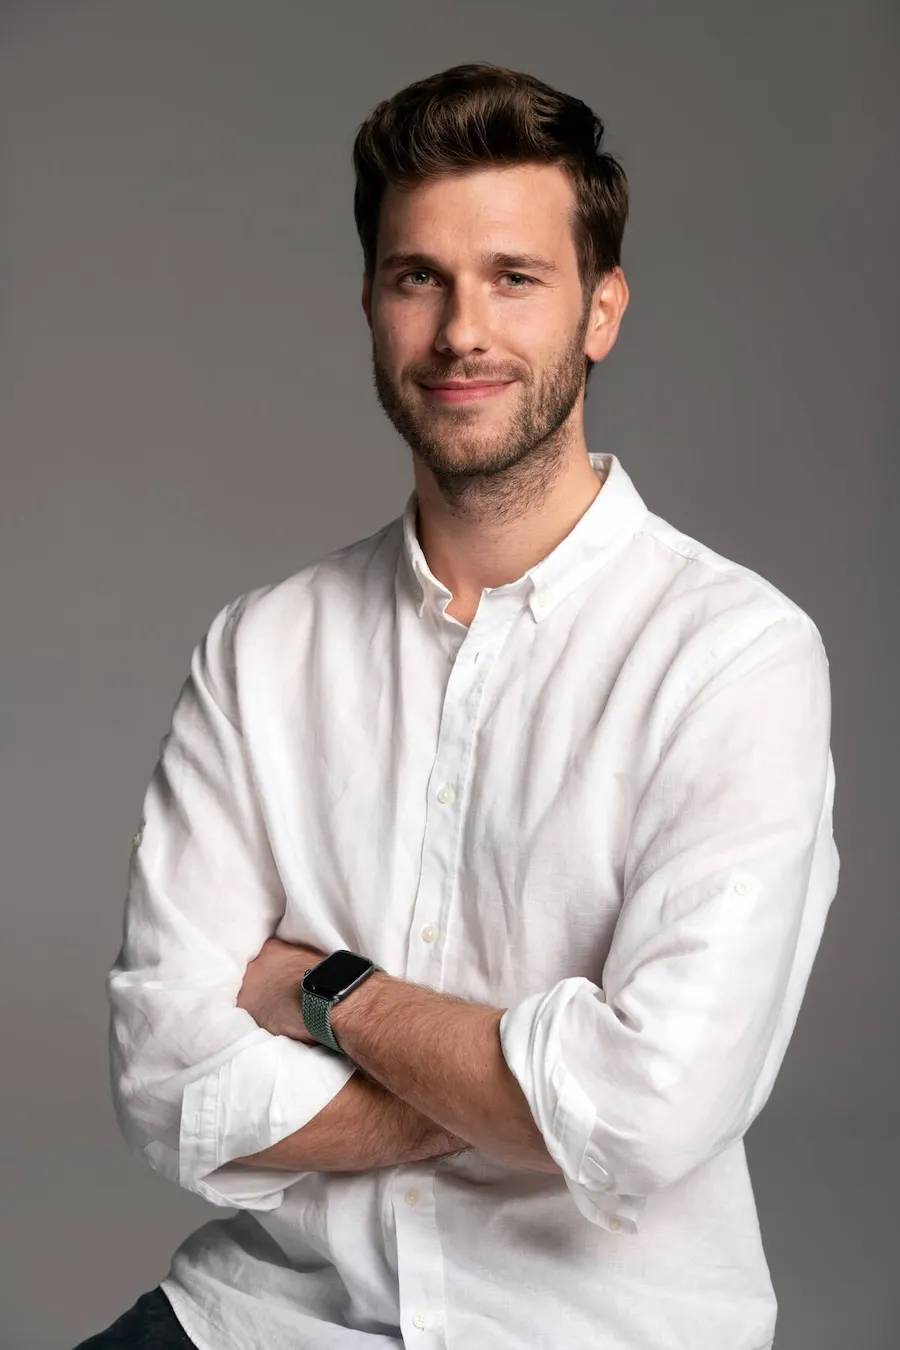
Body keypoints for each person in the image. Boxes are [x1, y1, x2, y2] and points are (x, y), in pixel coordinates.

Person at [77, 61, 840, 1350]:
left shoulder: (735, 657)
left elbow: (642, 1117)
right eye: (418, 277)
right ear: (371, 305)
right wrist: (519, 1100)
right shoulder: (261, 650)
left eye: (514, 278)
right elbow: (163, 1077)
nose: (460, 333)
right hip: (265, 1317)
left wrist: (328, 992)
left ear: (602, 310)